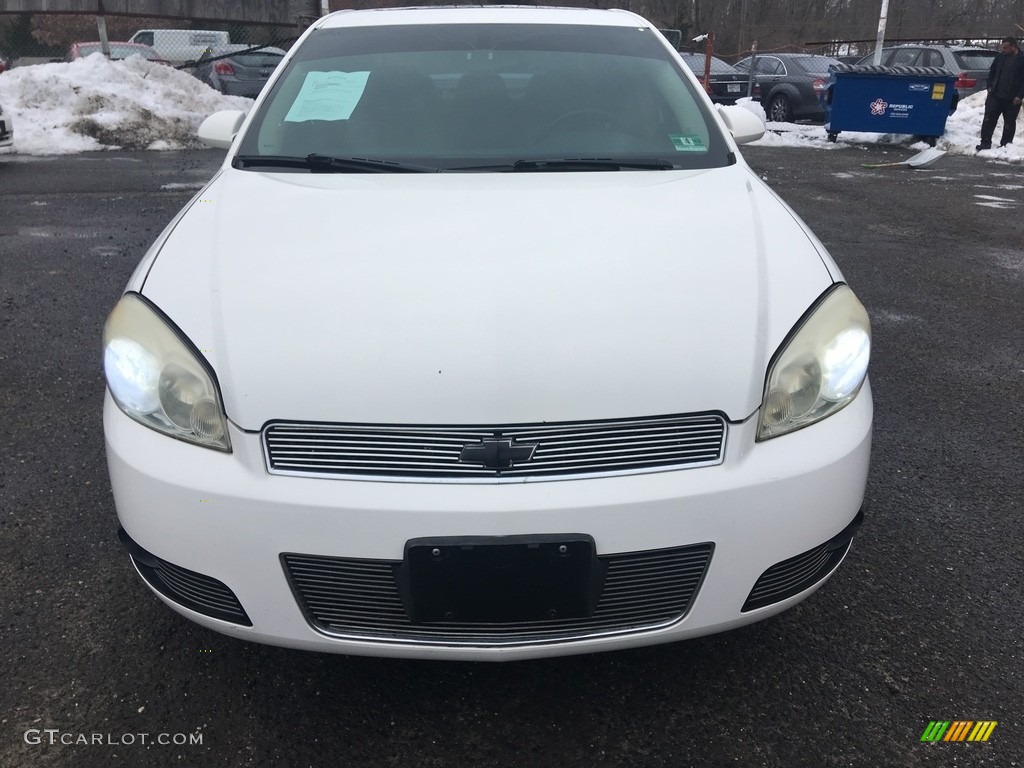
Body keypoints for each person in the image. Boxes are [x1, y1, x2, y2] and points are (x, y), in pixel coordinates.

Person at [976, 36, 1024, 151]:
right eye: (1003, 48)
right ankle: (985, 142)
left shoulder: (1022, 59)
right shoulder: (1000, 57)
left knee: (1009, 123)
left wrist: (1020, 95)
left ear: (1013, 46)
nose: (1004, 50)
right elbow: (992, 72)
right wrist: (989, 86)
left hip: (1012, 98)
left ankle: (1005, 145)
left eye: (1006, 48)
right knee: (989, 119)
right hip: (995, 95)